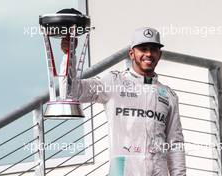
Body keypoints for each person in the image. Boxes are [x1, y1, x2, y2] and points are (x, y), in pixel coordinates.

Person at [61, 27, 186, 176]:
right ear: (132, 54)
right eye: (143, 49)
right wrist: (69, 56)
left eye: (153, 49)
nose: (148, 54)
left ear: (159, 54)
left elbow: (175, 143)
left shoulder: (168, 95)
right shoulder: (114, 82)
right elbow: (71, 92)